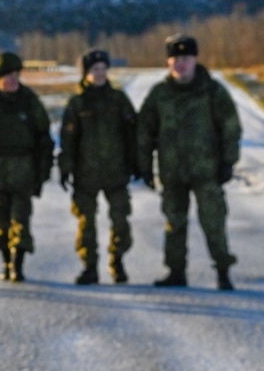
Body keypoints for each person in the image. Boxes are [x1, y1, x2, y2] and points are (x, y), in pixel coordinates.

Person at [137, 34, 240, 290]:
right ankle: (176, 271)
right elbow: (144, 133)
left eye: (186, 58)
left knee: (214, 222)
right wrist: (145, 167)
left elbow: (230, 128)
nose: (180, 64)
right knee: (174, 223)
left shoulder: (212, 91)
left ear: (195, 60)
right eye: (175, 59)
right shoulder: (160, 95)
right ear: (168, 62)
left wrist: (228, 162)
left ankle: (223, 270)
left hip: (207, 171)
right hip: (172, 172)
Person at [0, 52, 54, 282]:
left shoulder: (30, 101)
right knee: (0, 222)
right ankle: (5, 260)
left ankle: (17, 264)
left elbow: (44, 138)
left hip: (24, 172)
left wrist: (43, 172)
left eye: (15, 75)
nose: (12, 80)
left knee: (21, 221)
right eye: (7, 76)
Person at [57, 49, 138, 285]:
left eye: (103, 68)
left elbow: (133, 135)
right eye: (95, 69)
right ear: (86, 73)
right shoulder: (77, 103)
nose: (100, 73)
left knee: (121, 221)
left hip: (117, 173)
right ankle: (89, 267)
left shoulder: (119, 100)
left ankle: (118, 262)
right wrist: (65, 168)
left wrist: (137, 164)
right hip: (86, 175)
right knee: (86, 224)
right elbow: (67, 140)